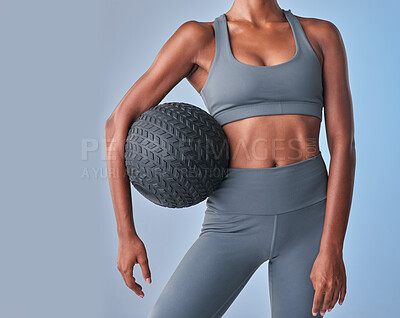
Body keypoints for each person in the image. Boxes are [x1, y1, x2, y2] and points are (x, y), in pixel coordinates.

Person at [104, 1, 356, 317]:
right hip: (231, 221)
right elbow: (117, 124)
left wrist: (332, 248)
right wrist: (126, 233)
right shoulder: (199, 38)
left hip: (309, 222)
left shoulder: (321, 35)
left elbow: (343, 144)